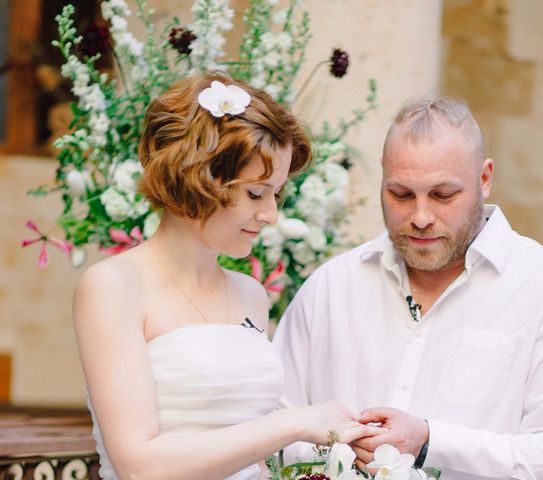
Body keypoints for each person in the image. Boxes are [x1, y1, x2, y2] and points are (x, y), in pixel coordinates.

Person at [273, 98, 543, 479]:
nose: (420, 217)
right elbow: (273, 427)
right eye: (400, 194)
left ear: (485, 179)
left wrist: (430, 442)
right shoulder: (330, 287)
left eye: (443, 195)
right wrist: (332, 451)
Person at [73, 72, 382, 480]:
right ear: (198, 178)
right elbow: (139, 466)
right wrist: (294, 423)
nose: (271, 215)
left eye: (277, 193)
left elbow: (248, 450)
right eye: (256, 194)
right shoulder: (113, 287)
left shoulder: (251, 294)